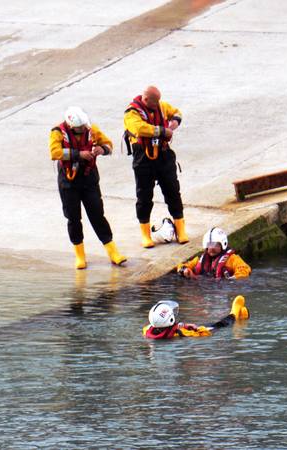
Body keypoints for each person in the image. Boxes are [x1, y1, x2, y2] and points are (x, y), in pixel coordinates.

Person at [49, 106, 127, 269]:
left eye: (84, 125)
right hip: (69, 181)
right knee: (73, 218)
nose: (84, 129)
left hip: (89, 178)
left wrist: (102, 149)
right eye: (80, 127)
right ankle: (80, 255)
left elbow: (108, 144)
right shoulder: (57, 132)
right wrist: (78, 154)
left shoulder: (91, 129)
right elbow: (54, 153)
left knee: (97, 214)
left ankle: (113, 252)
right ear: (71, 126)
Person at [124, 85, 189, 248]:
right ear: (146, 100)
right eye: (154, 103)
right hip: (143, 157)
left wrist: (174, 122)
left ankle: (180, 229)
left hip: (163, 154)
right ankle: (145, 234)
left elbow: (177, 112)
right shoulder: (131, 113)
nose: (158, 106)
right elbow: (139, 128)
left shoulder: (160, 105)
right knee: (144, 196)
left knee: (173, 190)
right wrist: (161, 131)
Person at [142, 296, 250, 339]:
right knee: (219, 325)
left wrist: (184, 325)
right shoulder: (183, 333)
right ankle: (235, 314)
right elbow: (204, 334)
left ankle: (242, 317)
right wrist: (195, 328)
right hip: (204, 332)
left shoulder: (147, 330)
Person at [176, 227, 252, 280]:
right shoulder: (199, 260)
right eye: (209, 245)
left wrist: (232, 280)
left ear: (223, 244)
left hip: (223, 290)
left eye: (215, 245)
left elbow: (245, 270)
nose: (211, 248)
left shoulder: (233, 259)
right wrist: (185, 270)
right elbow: (181, 266)